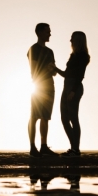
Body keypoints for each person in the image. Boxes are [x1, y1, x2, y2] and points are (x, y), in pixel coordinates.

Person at [27, 23, 61, 158]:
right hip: (38, 86)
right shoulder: (33, 49)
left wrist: (52, 69)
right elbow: (33, 70)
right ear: (40, 32)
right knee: (34, 116)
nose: (50, 34)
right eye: (48, 32)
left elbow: (54, 72)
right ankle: (32, 147)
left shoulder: (50, 51)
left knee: (45, 117)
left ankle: (43, 146)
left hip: (49, 86)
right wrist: (47, 69)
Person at [56, 31, 90, 157]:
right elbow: (66, 74)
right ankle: (73, 148)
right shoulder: (73, 56)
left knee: (73, 118)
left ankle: (75, 150)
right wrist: (55, 69)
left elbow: (80, 76)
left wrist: (73, 91)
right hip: (66, 86)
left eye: (72, 39)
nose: (70, 41)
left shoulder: (83, 56)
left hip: (74, 87)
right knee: (64, 119)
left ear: (78, 40)